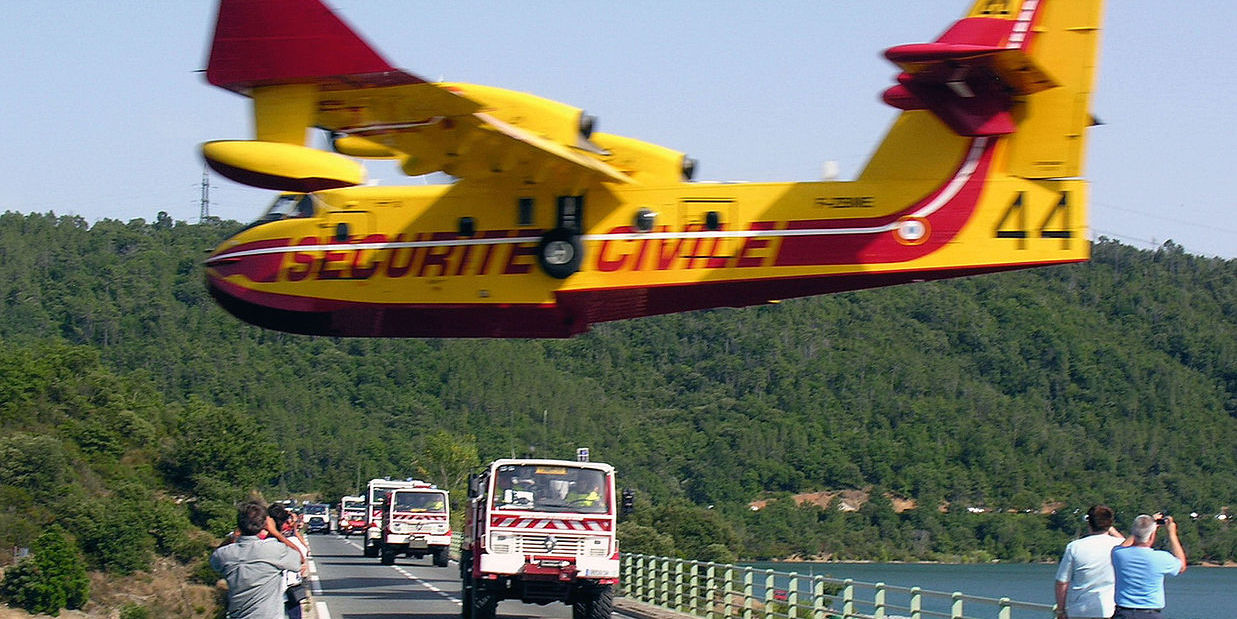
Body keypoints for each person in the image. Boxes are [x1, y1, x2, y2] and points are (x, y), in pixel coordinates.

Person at [210, 503, 305, 619]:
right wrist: (275, 532)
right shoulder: (273, 550)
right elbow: (299, 558)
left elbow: (215, 557)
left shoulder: (226, 554)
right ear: (264, 524)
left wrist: (233, 537)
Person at [1054, 505, 1125, 619]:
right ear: (1110, 523)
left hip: (1079, 611)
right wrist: (1111, 529)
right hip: (1108, 610)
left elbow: (1062, 582)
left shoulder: (1075, 547)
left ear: (1089, 523)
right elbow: (1126, 544)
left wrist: (1061, 611)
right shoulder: (1119, 546)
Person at [1111, 514, 1187, 619]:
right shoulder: (1161, 558)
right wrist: (1172, 534)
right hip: (1150, 614)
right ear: (1152, 536)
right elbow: (1181, 566)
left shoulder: (1118, 554)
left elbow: (1124, 545)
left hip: (1123, 613)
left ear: (1134, 532)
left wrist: (1142, 528)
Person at [268, 504, 310, 619]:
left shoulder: (259, 543)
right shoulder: (292, 543)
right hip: (289, 596)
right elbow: (302, 557)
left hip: (267, 599)